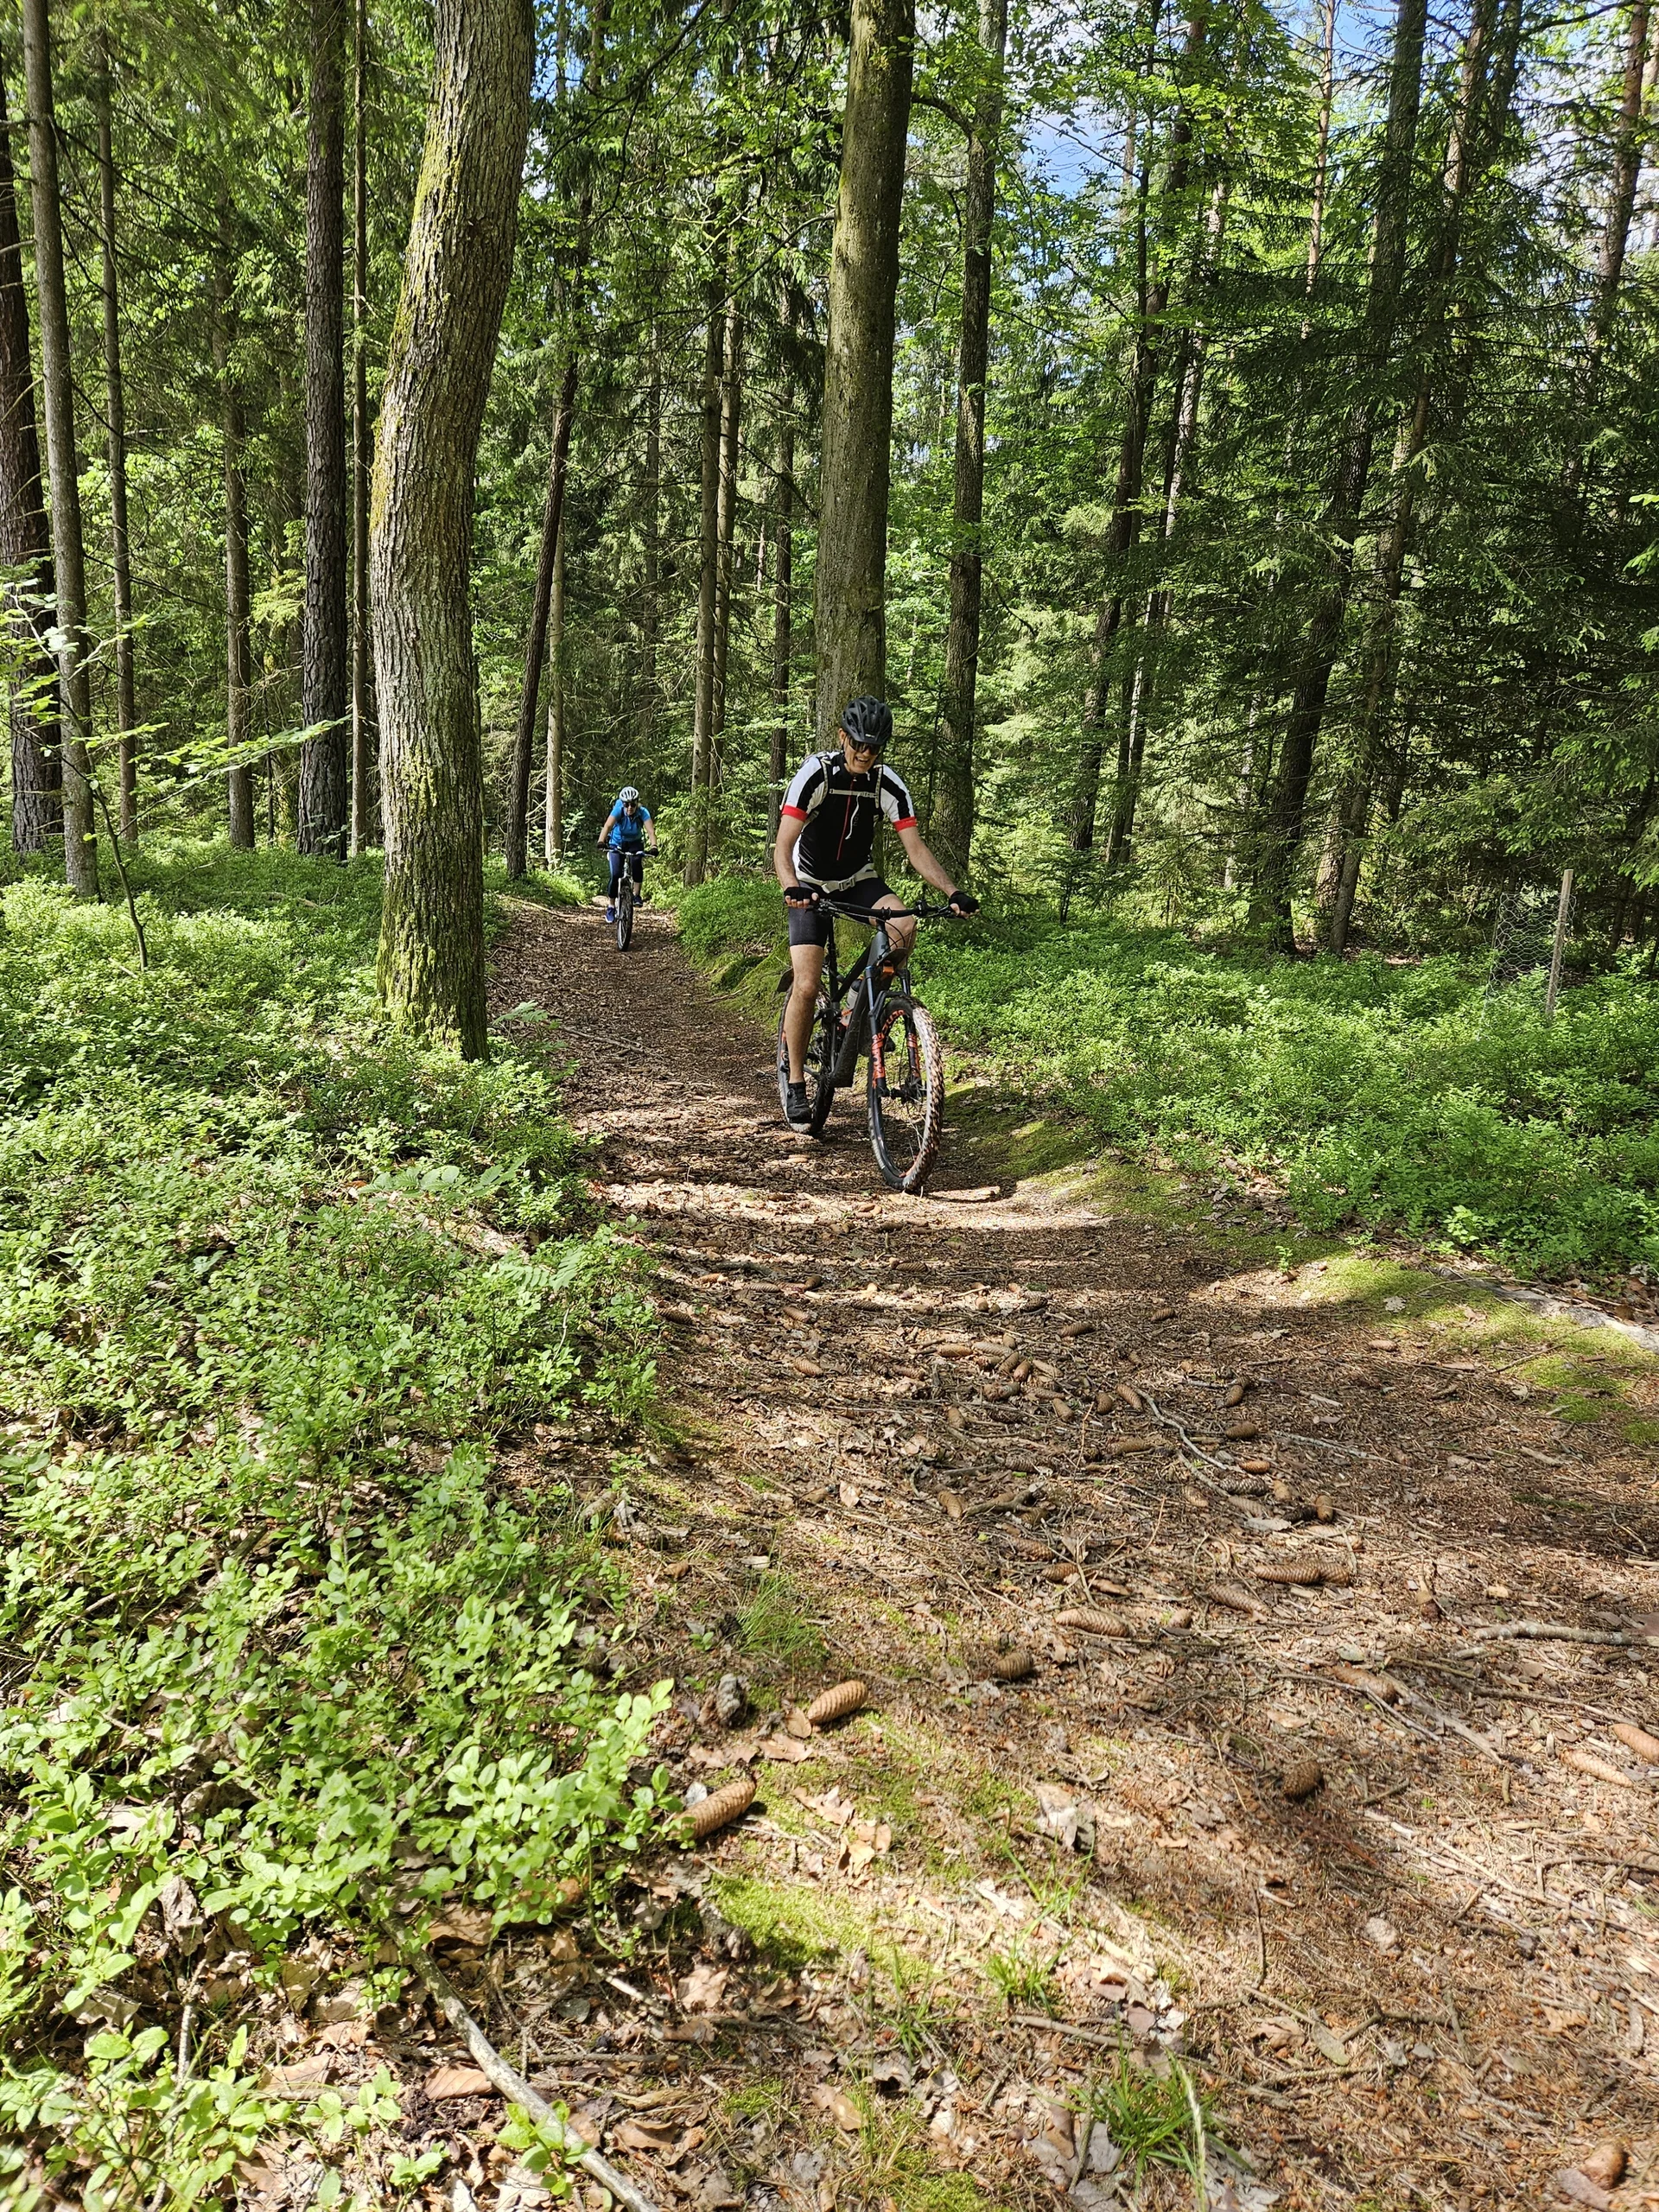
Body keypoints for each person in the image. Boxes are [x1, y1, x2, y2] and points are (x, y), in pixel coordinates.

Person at [772, 696, 977, 1128]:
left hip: (859, 877)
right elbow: (783, 845)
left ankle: (851, 1011)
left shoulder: (887, 784)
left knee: (903, 925)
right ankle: (794, 1082)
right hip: (809, 883)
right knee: (807, 985)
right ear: (843, 737)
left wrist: (953, 890)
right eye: (859, 744)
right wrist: (792, 886)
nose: (866, 754)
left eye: (875, 747)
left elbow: (916, 848)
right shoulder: (817, 774)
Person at [597, 787, 657, 922]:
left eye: (633, 804)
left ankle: (636, 895)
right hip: (617, 843)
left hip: (635, 843)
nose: (630, 807)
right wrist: (601, 841)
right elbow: (607, 826)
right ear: (622, 804)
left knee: (636, 862)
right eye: (626, 804)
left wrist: (654, 846)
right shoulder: (618, 810)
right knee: (616, 874)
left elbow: (650, 831)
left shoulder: (643, 812)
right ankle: (611, 906)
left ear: (637, 803)